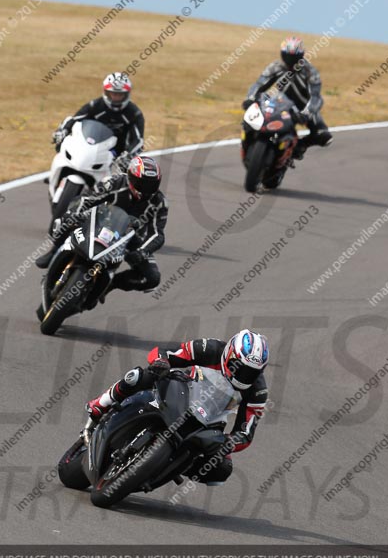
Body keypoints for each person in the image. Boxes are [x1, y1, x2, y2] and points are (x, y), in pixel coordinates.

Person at [83, 330, 269, 485]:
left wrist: (229, 443)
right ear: (229, 355)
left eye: (252, 372)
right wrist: (161, 361)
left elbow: (245, 433)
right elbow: (166, 351)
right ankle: (102, 402)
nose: (245, 376)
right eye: (241, 368)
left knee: (222, 470)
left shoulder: (258, 392)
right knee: (142, 375)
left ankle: (181, 465)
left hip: (211, 422)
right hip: (183, 391)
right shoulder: (210, 348)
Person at [36, 156, 167, 299]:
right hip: (99, 222)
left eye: (151, 185)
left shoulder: (159, 202)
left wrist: (142, 251)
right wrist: (74, 213)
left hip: (131, 239)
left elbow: (157, 234)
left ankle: (111, 284)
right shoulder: (114, 183)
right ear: (130, 177)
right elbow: (86, 199)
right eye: (141, 184)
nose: (146, 190)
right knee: (68, 219)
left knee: (152, 279)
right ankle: (54, 249)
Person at [242, 36, 332, 159]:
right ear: (282, 54)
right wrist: (250, 98)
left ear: (301, 56)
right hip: (277, 103)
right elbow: (259, 84)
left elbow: (316, 97)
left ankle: (299, 146)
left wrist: (306, 113)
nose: (290, 60)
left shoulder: (310, 71)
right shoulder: (276, 66)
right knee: (249, 119)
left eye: (294, 57)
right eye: (287, 56)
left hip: (302, 108)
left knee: (324, 136)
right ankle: (247, 143)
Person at [52, 72, 144, 163]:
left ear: (126, 95)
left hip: (116, 156)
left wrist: (127, 155)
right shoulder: (95, 105)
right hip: (88, 149)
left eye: (120, 95)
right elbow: (75, 119)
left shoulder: (134, 113)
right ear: (107, 93)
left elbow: (138, 140)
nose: (116, 98)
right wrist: (63, 131)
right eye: (113, 94)